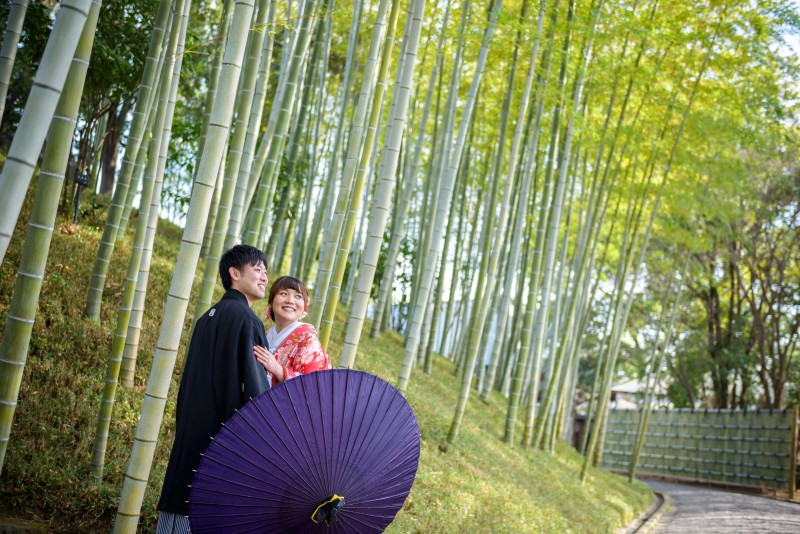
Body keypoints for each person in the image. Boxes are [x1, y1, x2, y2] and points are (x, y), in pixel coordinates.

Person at [156, 245, 271, 533]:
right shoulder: (248, 320)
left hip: (191, 430)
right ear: (235, 273)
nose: (264, 278)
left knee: (180, 502)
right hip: (223, 438)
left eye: (266, 272)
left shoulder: (206, 319)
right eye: (257, 269)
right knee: (207, 507)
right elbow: (256, 393)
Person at [254, 276, 330, 385]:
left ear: (304, 308)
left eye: (298, 296)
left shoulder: (308, 338)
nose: (290, 301)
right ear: (270, 303)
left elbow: (313, 385)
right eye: (284, 294)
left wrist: (278, 370)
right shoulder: (265, 335)